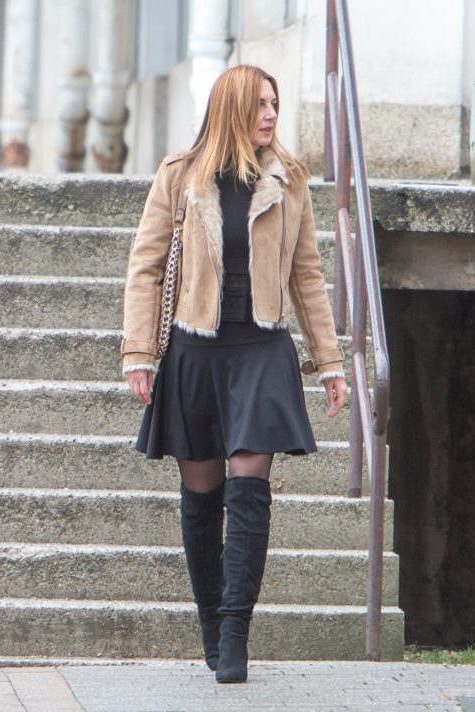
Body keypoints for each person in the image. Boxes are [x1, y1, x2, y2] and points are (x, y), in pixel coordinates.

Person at [120, 64, 347, 683]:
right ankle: (209, 626)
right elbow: (145, 266)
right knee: (201, 495)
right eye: (259, 105)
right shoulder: (179, 176)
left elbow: (307, 275)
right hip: (194, 352)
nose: (271, 115)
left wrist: (329, 361)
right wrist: (139, 353)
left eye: (275, 104)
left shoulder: (289, 180)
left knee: (249, 487)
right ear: (231, 110)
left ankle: (235, 631)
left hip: (262, 351)